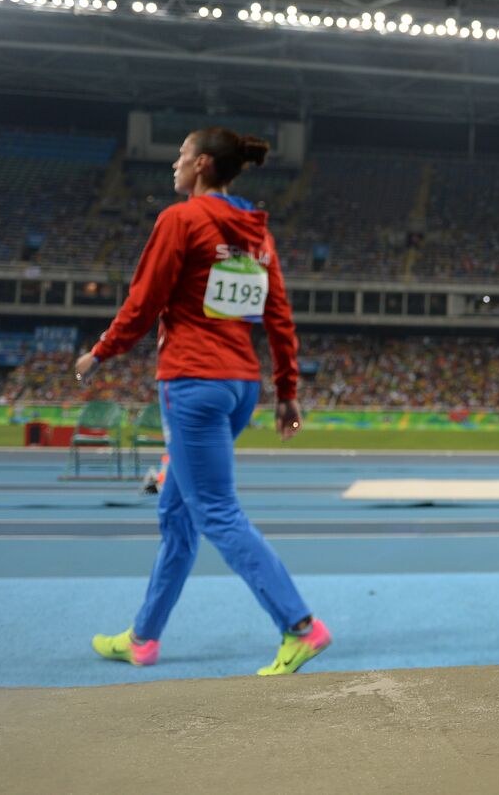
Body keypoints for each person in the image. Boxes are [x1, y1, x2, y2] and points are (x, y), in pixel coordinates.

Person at [75, 127, 330, 676]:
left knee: (215, 511)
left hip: (193, 383)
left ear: (203, 164)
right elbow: (279, 315)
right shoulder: (256, 234)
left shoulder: (181, 220)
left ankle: (300, 627)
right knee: (178, 514)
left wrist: (101, 351)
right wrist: (286, 391)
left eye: (182, 155)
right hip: (239, 386)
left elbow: (145, 302)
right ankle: (143, 637)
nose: (174, 163)